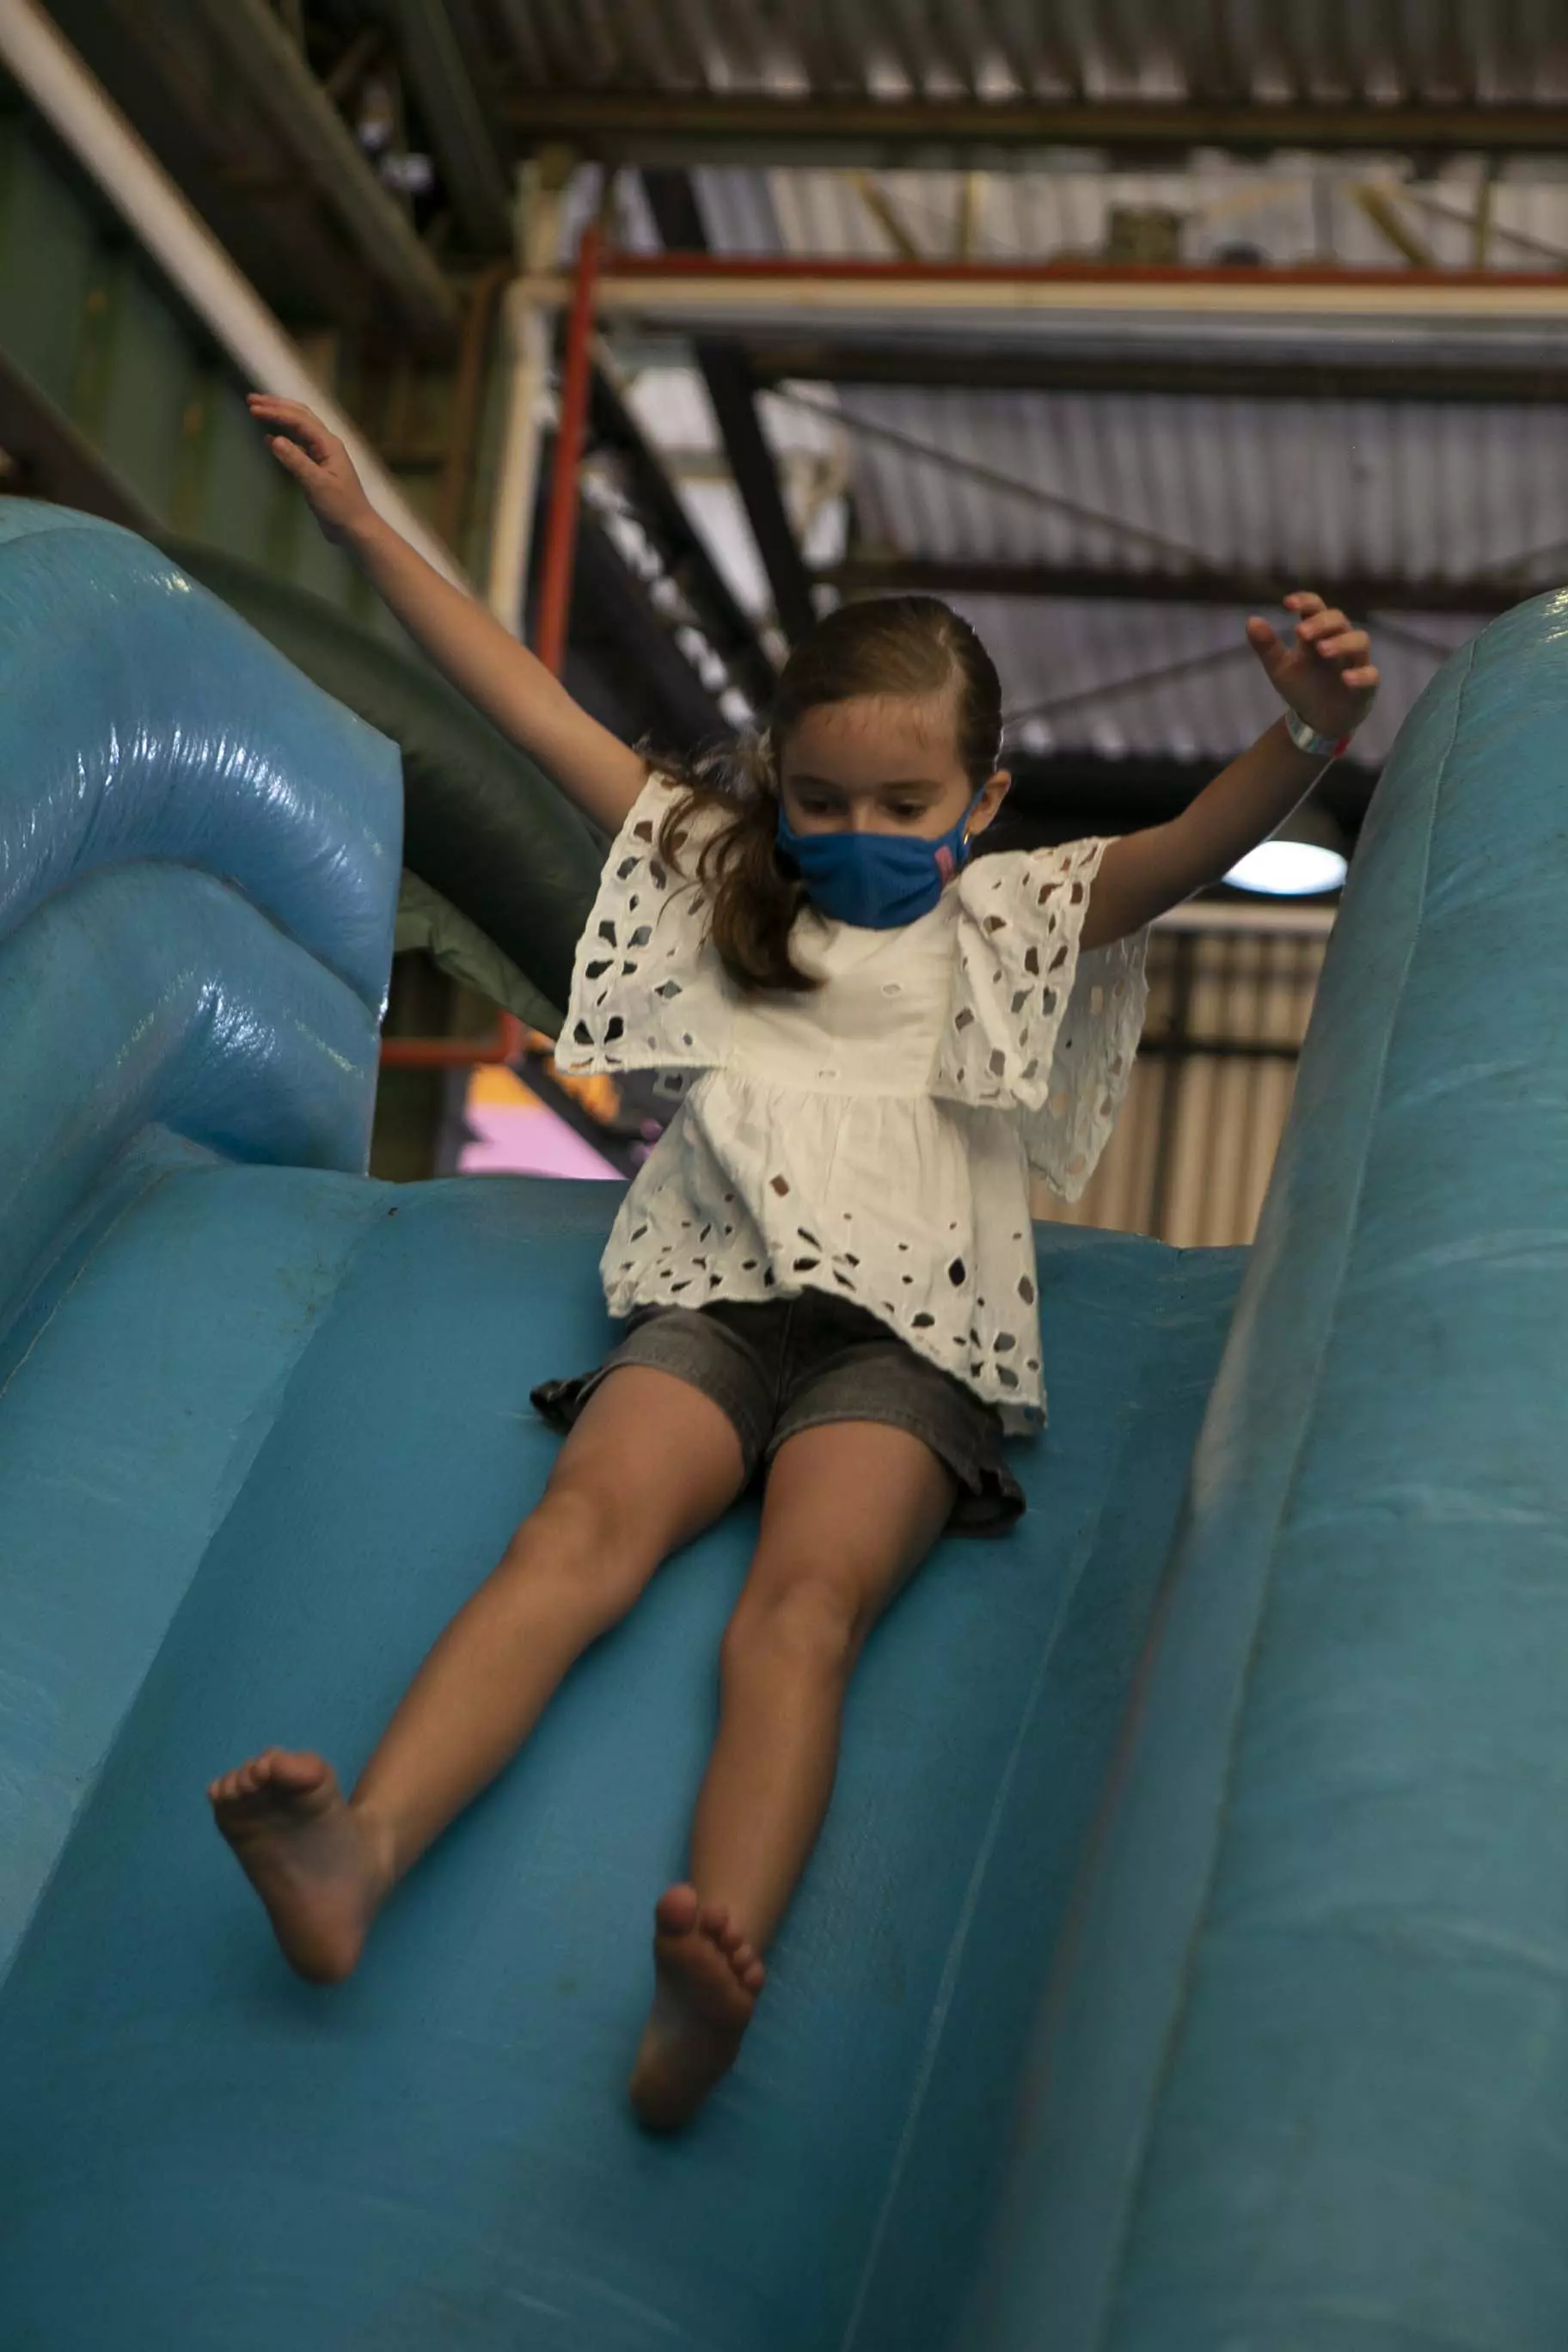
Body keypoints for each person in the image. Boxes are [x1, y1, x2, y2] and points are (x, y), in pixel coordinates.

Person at [209, 393, 1378, 2130]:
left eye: (906, 800)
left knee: (801, 1615)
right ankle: (360, 1853)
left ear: (982, 799)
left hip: (904, 1348)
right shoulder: (722, 881)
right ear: (778, 786)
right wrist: (369, 526)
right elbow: (528, 708)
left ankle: (713, 1985)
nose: (859, 829)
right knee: (575, 1538)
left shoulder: (1012, 920)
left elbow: (1192, 844)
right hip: (714, 1303)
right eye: (821, 797)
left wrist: (1307, 731)